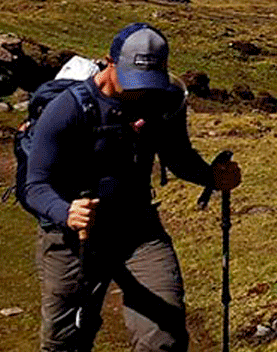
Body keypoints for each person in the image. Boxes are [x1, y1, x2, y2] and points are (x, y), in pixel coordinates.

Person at [23, 22, 241, 352]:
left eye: (150, 82)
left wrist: (213, 177)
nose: (141, 92)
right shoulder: (67, 109)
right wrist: (66, 211)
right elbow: (35, 184)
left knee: (163, 336)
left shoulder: (164, 101)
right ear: (109, 63)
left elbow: (177, 157)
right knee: (65, 342)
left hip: (138, 230)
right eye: (133, 81)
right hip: (72, 237)